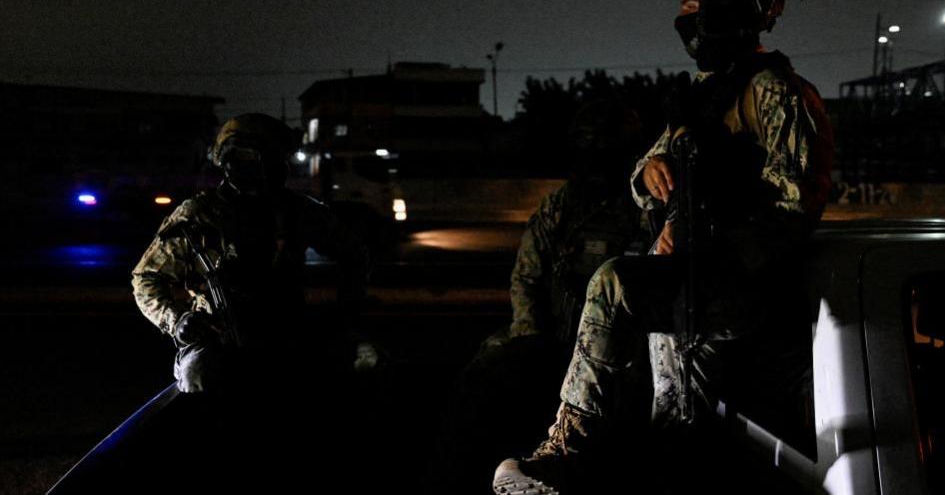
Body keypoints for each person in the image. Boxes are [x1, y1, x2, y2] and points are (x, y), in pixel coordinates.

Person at [493, 0, 834, 494]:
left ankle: (567, 446)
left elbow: (794, 206)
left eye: (698, 4)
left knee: (614, 286)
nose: (686, 18)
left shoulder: (776, 92)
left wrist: (713, 246)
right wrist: (650, 172)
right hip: (689, 287)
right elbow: (645, 174)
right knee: (673, 427)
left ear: (732, 6)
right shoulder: (705, 95)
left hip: (732, 290)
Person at [130, 112, 372, 488]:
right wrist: (176, 321)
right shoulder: (199, 215)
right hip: (219, 337)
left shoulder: (298, 210)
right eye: (247, 158)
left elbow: (355, 255)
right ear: (227, 162)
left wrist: (344, 316)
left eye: (269, 159)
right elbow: (147, 279)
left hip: (288, 332)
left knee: (355, 379)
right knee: (198, 381)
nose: (260, 168)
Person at [430, 100, 652, 493]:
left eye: (604, 147)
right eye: (587, 146)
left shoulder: (643, 210)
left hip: (617, 349)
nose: (594, 158)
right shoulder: (560, 208)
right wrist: (532, 339)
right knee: (484, 370)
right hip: (550, 335)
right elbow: (527, 277)